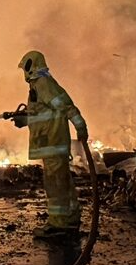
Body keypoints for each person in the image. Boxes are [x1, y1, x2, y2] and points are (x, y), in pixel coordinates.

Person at [12, 50, 88, 238]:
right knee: (62, 183)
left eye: (24, 68)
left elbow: (66, 106)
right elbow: (44, 115)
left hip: (53, 143)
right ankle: (70, 219)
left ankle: (59, 225)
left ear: (30, 66)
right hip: (51, 144)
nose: (23, 73)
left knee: (55, 185)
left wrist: (81, 127)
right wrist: (24, 120)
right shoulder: (38, 86)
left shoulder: (43, 83)